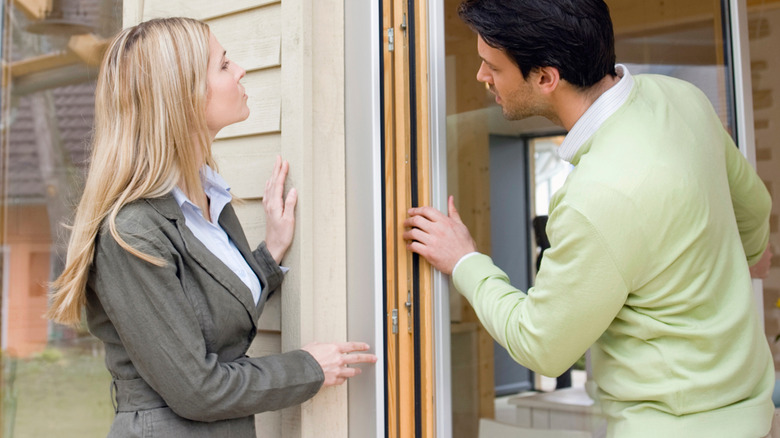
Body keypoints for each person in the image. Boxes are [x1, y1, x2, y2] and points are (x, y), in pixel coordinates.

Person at [403, 1, 774, 436]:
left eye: (492, 67)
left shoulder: (597, 197)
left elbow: (541, 345)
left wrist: (465, 261)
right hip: (753, 419)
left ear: (545, 77)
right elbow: (755, 213)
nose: (482, 77)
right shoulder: (682, 99)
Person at [47, 17, 376, 437]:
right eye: (223, 65)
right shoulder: (131, 232)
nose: (240, 70)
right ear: (182, 97)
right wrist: (309, 367)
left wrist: (269, 254)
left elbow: (210, 315)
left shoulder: (208, 201)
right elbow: (199, 390)